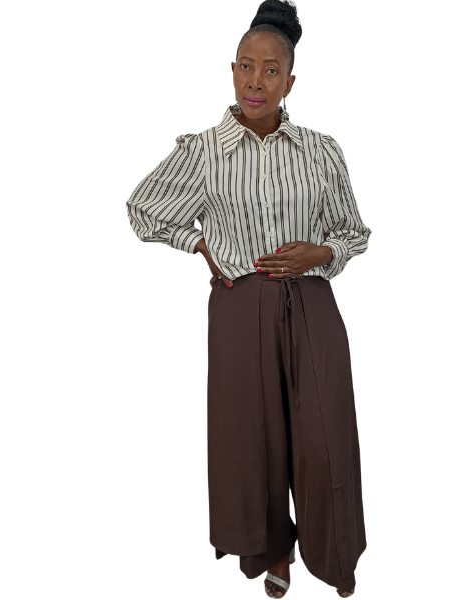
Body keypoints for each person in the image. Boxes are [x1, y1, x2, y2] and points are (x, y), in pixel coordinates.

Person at [125, 1, 371, 597]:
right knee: (253, 439)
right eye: (245, 66)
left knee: (324, 437)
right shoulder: (203, 150)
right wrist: (198, 244)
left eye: (270, 70)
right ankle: (271, 551)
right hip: (239, 306)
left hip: (312, 304)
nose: (255, 81)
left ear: (291, 81)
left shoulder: (320, 150)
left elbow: (353, 231)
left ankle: (333, 554)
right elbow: (142, 208)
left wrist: (322, 253)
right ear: (231, 71)